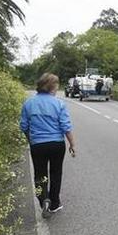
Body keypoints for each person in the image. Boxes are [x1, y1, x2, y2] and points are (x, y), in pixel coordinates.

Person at [20, 73, 77, 218]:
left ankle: (42, 199)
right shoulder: (58, 104)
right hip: (57, 144)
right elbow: (66, 126)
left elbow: (24, 126)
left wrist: (31, 139)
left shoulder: (29, 103)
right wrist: (72, 144)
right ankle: (54, 203)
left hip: (38, 144)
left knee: (40, 175)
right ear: (52, 87)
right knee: (56, 173)